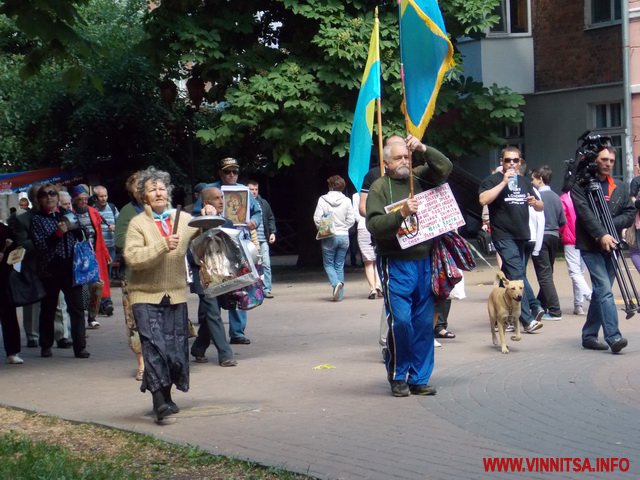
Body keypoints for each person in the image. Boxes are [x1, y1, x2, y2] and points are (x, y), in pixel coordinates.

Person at [366, 134, 452, 397]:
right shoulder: (380, 187)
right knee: (401, 322)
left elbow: (445, 168)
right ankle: (398, 375)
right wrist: (401, 213)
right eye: (398, 158)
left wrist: (423, 148)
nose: (404, 161)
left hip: (425, 261)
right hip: (396, 263)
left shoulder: (420, 177)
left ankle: (419, 378)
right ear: (386, 163)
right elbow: (374, 225)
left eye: (407, 157)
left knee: (423, 323)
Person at [123, 166, 200, 422]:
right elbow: (133, 258)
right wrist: (161, 246)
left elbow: (205, 234)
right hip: (145, 295)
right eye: (152, 189)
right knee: (154, 347)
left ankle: (166, 395)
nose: (158, 192)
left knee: (175, 351)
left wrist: (210, 216)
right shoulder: (138, 224)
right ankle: (159, 402)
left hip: (176, 294)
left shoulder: (183, 219)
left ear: (168, 192)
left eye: (161, 188)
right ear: (143, 196)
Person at [192, 157, 262, 344]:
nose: (231, 175)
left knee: (238, 287)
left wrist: (254, 222)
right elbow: (195, 215)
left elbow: (256, 211)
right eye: (227, 171)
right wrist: (205, 212)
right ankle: (206, 332)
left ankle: (237, 332)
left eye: (235, 171)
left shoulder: (244, 191)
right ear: (220, 173)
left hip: (238, 244)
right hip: (213, 249)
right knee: (211, 291)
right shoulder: (210, 190)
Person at [571, 144, 634, 353]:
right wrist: (601, 234)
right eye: (604, 159)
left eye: (611, 161)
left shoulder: (620, 186)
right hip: (590, 246)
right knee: (605, 290)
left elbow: (629, 213)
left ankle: (589, 335)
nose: (607, 164)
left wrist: (610, 226)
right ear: (594, 160)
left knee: (600, 292)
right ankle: (613, 337)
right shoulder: (581, 185)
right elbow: (585, 215)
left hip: (613, 245)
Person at [479, 147, 545, 333]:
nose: (512, 164)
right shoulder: (492, 180)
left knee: (516, 274)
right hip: (503, 235)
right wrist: (503, 183)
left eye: (515, 160)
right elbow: (483, 199)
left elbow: (541, 206)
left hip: (521, 235)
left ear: (520, 162)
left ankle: (527, 308)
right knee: (517, 273)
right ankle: (528, 318)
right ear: (502, 161)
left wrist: (535, 203)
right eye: (508, 160)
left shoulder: (524, 181)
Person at [30, 184, 89, 359]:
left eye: (52, 194)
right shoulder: (38, 219)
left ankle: (80, 347)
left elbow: (84, 235)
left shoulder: (67, 214)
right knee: (48, 309)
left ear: (57, 197)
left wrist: (76, 229)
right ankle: (46, 344)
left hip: (71, 268)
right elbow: (41, 246)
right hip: (49, 269)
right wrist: (58, 233)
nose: (49, 197)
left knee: (77, 309)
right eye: (44, 195)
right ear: (39, 200)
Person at [189, 186, 237, 367]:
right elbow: (190, 250)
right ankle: (225, 354)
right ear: (206, 202)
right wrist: (204, 223)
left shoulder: (226, 221)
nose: (221, 201)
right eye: (216, 198)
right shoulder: (194, 222)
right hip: (203, 275)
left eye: (222, 197)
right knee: (213, 313)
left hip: (222, 273)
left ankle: (198, 348)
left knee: (209, 315)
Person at [115, 172, 146, 381]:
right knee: (135, 319)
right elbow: (119, 241)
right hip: (134, 275)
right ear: (131, 191)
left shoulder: (161, 209)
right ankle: (142, 363)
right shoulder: (128, 211)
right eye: (137, 186)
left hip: (160, 274)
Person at [70, 185, 111, 329]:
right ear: (74, 200)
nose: (83, 202)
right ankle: (81, 317)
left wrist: (105, 253)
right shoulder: (70, 214)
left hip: (94, 254)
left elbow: (99, 235)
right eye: (80, 199)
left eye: (85, 199)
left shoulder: (93, 212)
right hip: (78, 257)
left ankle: (92, 316)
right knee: (82, 289)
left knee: (96, 286)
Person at [530, 165, 566, 320]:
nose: (531, 182)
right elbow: (562, 220)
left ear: (540, 179)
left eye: (533, 178)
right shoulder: (556, 197)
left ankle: (555, 310)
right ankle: (540, 304)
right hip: (554, 236)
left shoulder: (536, 197)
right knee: (548, 272)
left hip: (541, 237)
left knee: (544, 275)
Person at [8, 185, 41, 348]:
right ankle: (33, 335)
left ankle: (61, 334)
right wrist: (40, 241)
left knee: (58, 302)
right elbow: (21, 243)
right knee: (32, 300)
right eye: (39, 196)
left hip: (51, 264)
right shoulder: (22, 218)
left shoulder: (54, 215)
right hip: (32, 264)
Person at [314, 175, 355, 301]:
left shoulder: (323, 199)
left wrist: (323, 228)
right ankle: (339, 295)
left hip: (329, 235)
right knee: (339, 265)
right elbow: (351, 219)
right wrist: (344, 227)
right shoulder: (347, 200)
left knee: (328, 264)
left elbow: (317, 218)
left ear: (330, 186)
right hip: (344, 236)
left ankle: (335, 283)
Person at [559, 183, 592, 316]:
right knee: (580, 273)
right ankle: (578, 304)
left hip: (570, 238)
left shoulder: (564, 198)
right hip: (584, 238)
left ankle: (589, 296)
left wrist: (563, 232)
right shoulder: (585, 197)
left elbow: (561, 220)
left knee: (575, 273)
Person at [248, 180, 277, 298]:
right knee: (252, 266)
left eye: (256, 189)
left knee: (266, 264)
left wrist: (272, 232)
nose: (254, 192)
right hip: (250, 240)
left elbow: (270, 218)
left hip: (263, 238)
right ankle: (255, 289)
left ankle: (266, 289)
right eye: (251, 189)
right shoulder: (245, 203)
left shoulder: (263, 203)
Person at [0, 222, 23, 364]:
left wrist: (9, 256)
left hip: (4, 280)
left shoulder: (5, 230)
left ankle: (12, 352)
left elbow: (17, 250)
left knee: (9, 316)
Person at [93, 185, 118, 315]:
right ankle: (103, 303)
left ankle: (104, 302)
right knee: (98, 277)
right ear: (95, 197)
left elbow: (121, 223)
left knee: (106, 276)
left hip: (110, 247)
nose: (104, 198)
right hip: (97, 248)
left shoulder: (112, 208)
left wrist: (116, 226)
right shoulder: (92, 210)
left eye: (105, 196)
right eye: (101, 196)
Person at [352, 191, 381, 299]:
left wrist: (363, 219)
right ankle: (378, 285)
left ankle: (372, 289)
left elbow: (355, 214)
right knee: (378, 258)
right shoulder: (378, 191)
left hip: (363, 226)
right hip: (377, 225)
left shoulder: (356, 195)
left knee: (368, 261)